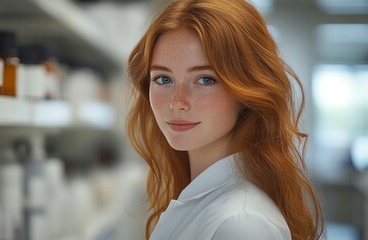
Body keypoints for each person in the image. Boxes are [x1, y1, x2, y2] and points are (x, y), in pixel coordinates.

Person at [126, 0, 324, 239]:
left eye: (205, 80)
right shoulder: (202, 198)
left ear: (247, 90)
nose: (177, 102)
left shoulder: (241, 223)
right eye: (163, 79)